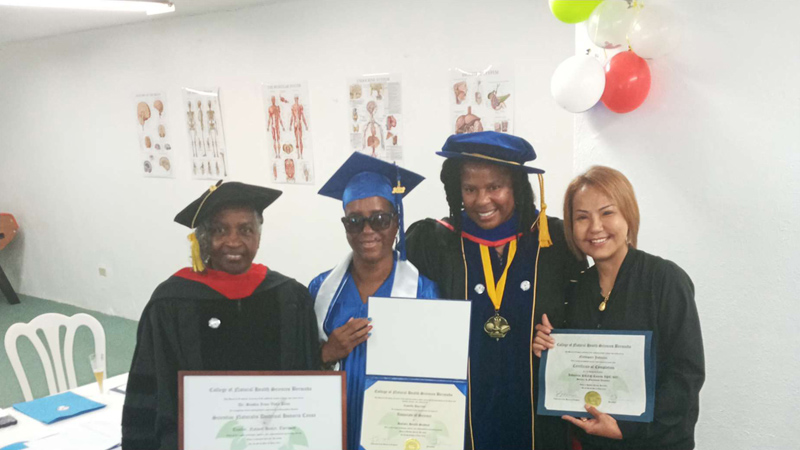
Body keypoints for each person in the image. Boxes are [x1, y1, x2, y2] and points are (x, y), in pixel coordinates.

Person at [406, 131, 584, 450]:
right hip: (460, 414)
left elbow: (585, 317)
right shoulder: (435, 242)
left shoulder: (555, 241)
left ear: (515, 186)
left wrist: (562, 337)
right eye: (470, 189)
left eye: (494, 187)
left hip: (540, 415)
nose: (482, 200)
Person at [121, 181, 319, 450]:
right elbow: (150, 391)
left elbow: (306, 381)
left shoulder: (290, 297)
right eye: (220, 230)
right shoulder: (171, 303)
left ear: (258, 237)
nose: (233, 241)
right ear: (203, 238)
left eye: (245, 230)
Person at [532, 166, 705, 450]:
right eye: (582, 217)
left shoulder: (665, 279)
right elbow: (574, 374)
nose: (595, 227)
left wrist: (626, 428)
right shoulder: (576, 289)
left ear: (628, 215)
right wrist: (549, 350)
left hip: (656, 443)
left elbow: (686, 374)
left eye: (607, 213)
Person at [309, 152, 439, 450]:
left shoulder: (424, 292)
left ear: (396, 223)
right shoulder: (319, 290)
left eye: (380, 219)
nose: (367, 231)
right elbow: (295, 368)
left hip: (398, 429)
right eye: (355, 221)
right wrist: (326, 353)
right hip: (334, 425)